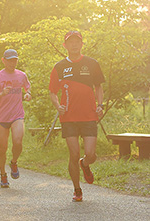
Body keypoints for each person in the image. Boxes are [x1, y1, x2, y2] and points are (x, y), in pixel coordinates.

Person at [49, 31, 105, 202]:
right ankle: (77, 189)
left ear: (82, 44)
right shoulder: (59, 67)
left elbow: (99, 86)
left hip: (89, 115)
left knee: (91, 153)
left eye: (77, 41)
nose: (74, 44)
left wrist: (100, 105)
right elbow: (52, 92)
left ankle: (85, 164)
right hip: (69, 118)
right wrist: (58, 106)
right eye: (70, 42)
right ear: (65, 45)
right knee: (73, 154)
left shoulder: (92, 64)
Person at [0, 49, 31, 188]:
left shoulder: (21, 75)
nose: (12, 63)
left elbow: (28, 88)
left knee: (18, 141)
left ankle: (14, 162)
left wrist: (28, 94)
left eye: (15, 60)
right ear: (3, 60)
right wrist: (1, 93)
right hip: (2, 117)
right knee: (2, 148)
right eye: (10, 60)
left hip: (17, 115)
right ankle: (3, 175)